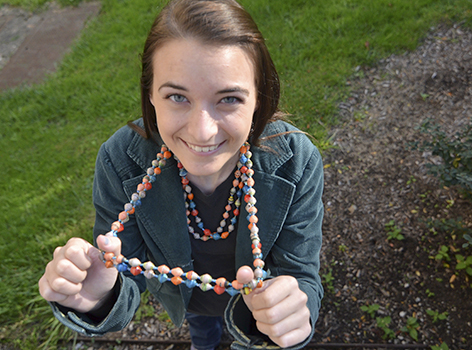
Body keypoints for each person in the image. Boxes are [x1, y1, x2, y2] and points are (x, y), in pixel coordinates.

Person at [37, 0, 324, 349]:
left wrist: (294, 310)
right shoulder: (120, 161)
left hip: (257, 311)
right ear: (151, 96)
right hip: (191, 302)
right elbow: (122, 270)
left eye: (229, 99)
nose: (202, 133)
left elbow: (300, 273)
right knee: (203, 332)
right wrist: (100, 296)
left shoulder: (297, 162)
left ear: (259, 100)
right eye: (177, 96)